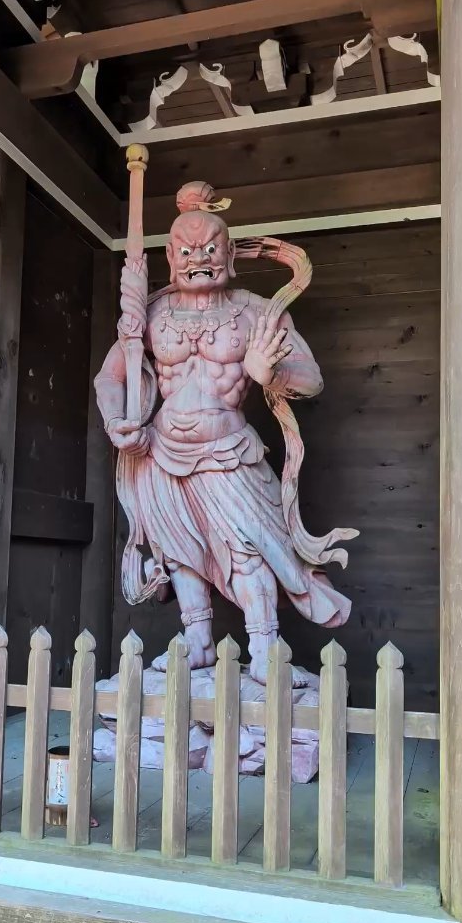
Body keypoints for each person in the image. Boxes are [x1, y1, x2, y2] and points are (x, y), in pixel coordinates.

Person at [95, 181, 357, 683]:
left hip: (228, 451)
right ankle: (196, 641)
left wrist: (269, 374)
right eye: (187, 251)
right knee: (180, 551)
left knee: (247, 549)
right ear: (171, 256)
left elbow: (312, 377)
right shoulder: (147, 315)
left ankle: (264, 648)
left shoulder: (256, 311)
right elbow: (111, 377)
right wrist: (118, 420)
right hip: (162, 451)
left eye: (211, 248)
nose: (199, 259)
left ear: (230, 253)